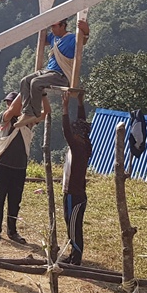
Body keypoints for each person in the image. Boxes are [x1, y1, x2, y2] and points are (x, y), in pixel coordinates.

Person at [16, 18, 89, 127]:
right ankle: (27, 112)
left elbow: (82, 42)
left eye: (54, 26)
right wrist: (41, 26)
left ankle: (35, 113)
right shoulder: (54, 38)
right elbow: (43, 40)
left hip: (60, 75)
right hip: (47, 71)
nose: (52, 29)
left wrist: (86, 31)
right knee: (25, 81)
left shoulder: (71, 38)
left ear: (62, 26)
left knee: (35, 83)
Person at [0, 91, 37, 244]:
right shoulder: (5, 118)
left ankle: (12, 231)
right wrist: (25, 89)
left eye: (12, 102)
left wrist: (39, 94)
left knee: (15, 202)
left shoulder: (27, 121)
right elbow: (12, 111)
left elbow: (45, 112)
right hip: (3, 165)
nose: (9, 104)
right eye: (9, 102)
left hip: (19, 168)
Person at [59, 90, 91, 266]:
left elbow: (66, 131)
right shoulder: (84, 144)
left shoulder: (78, 147)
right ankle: (73, 254)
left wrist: (64, 109)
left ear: (77, 134)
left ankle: (76, 258)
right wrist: (79, 103)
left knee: (73, 226)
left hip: (74, 193)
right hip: (74, 192)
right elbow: (82, 122)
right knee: (72, 225)